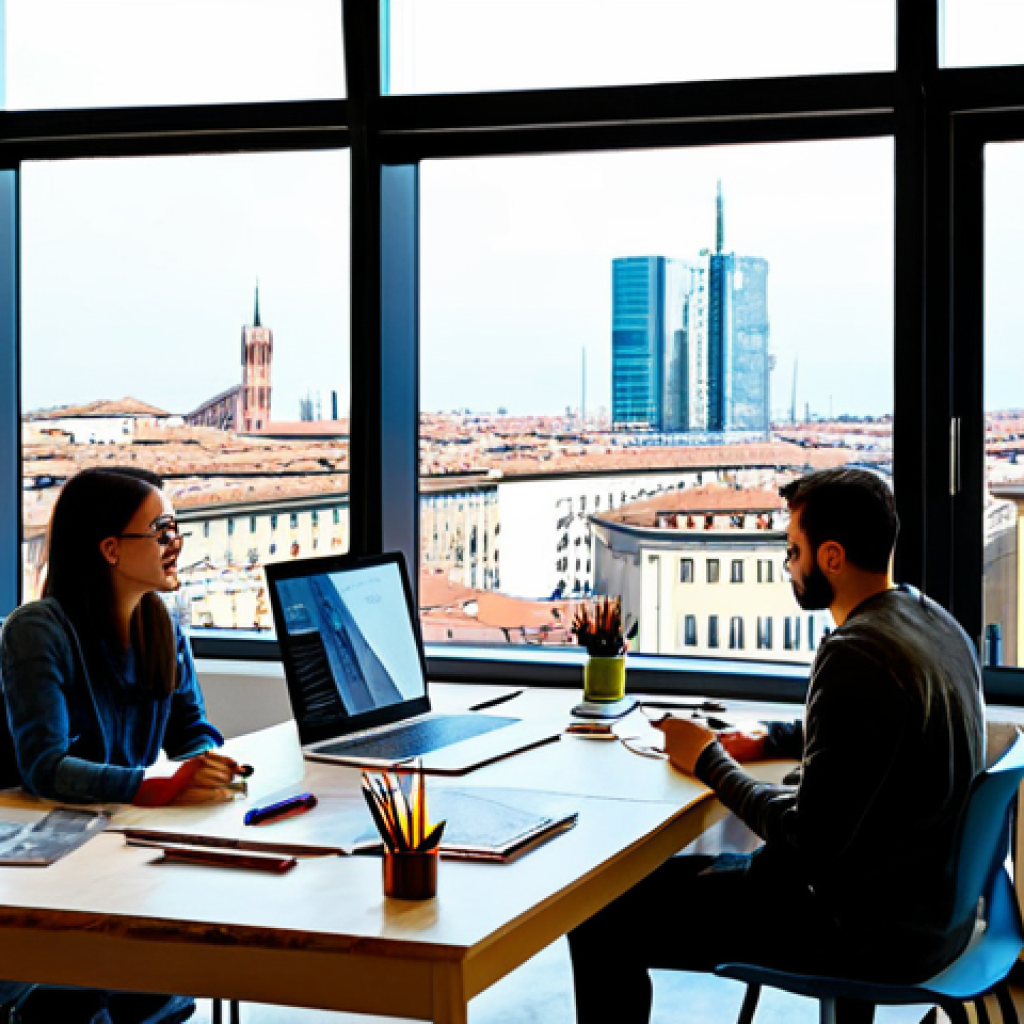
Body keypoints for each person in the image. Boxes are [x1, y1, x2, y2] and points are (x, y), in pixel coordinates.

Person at [567, 468, 986, 1024]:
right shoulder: (929, 619)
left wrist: (706, 760)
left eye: (793, 550)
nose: (788, 566)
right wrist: (772, 738)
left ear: (831, 557)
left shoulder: (853, 653)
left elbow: (803, 842)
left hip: (866, 933)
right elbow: (883, 725)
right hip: (929, 909)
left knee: (600, 912)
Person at [0, 467, 247, 1024]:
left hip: (115, 857)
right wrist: (154, 787)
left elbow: (192, 732)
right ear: (110, 549)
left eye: (176, 528)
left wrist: (208, 765)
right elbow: (45, 768)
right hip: (40, 873)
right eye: (161, 531)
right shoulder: (38, 629)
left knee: (168, 991)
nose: (176, 544)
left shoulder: (163, 626)